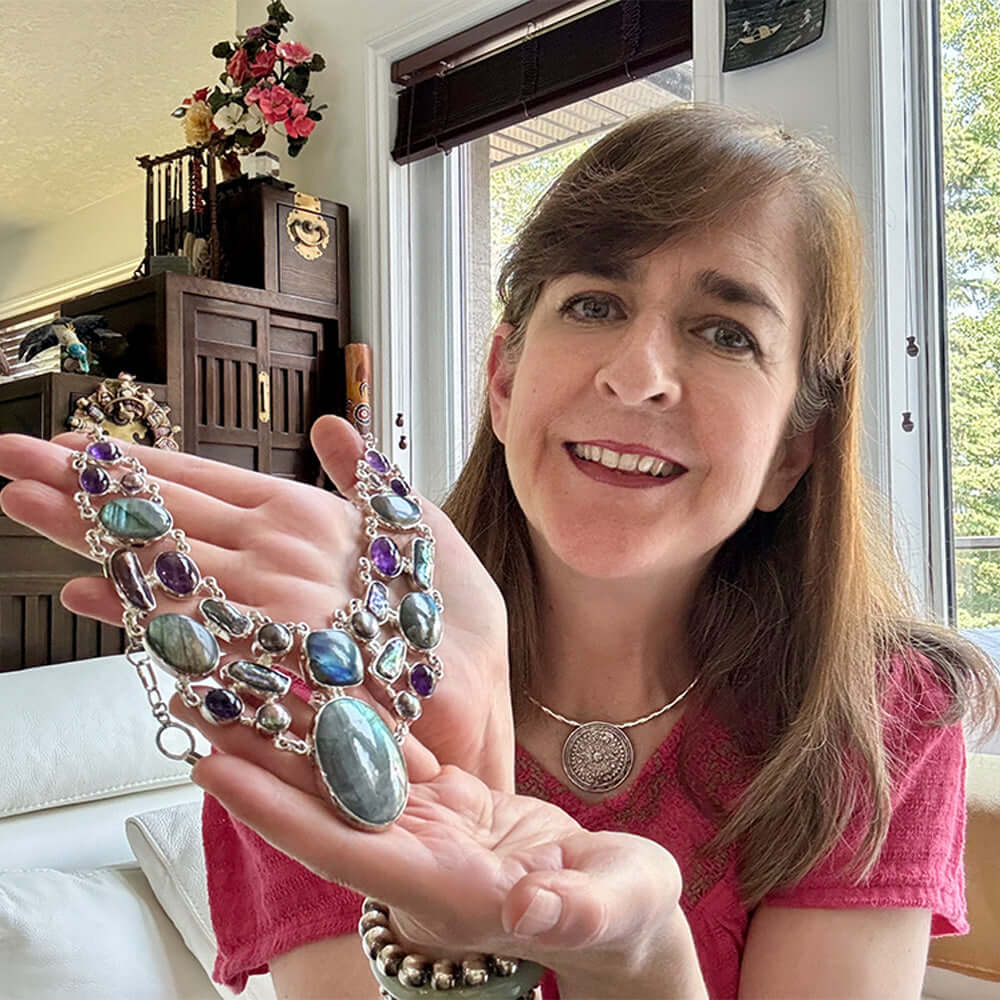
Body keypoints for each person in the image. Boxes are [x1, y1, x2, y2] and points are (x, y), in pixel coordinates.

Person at [0, 102, 997, 999]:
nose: (639, 374)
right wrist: (436, 938)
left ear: (791, 450)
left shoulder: (884, 715)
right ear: (504, 377)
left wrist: (638, 962)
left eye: (724, 331)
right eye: (595, 304)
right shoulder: (317, 702)